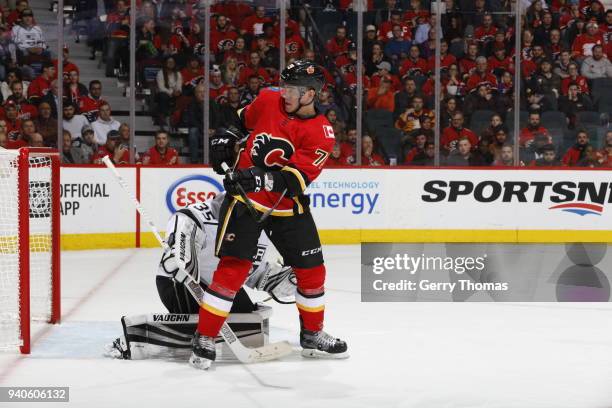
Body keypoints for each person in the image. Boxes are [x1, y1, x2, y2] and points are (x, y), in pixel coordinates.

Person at [200, 60, 348, 370]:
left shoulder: (322, 133)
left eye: (292, 89)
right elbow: (241, 121)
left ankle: (312, 334)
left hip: (286, 204)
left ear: (310, 94)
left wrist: (258, 177)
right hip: (245, 200)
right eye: (284, 86)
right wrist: (225, 137)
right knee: (233, 269)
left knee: (312, 271)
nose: (285, 93)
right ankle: (205, 337)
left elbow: (296, 180)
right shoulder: (269, 98)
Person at [104, 192, 298, 360]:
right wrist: (180, 253)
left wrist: (272, 278)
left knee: (246, 319)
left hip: (219, 286)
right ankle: (134, 337)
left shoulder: (257, 227)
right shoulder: (202, 215)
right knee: (205, 322)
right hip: (180, 282)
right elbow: (183, 219)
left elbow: (249, 269)